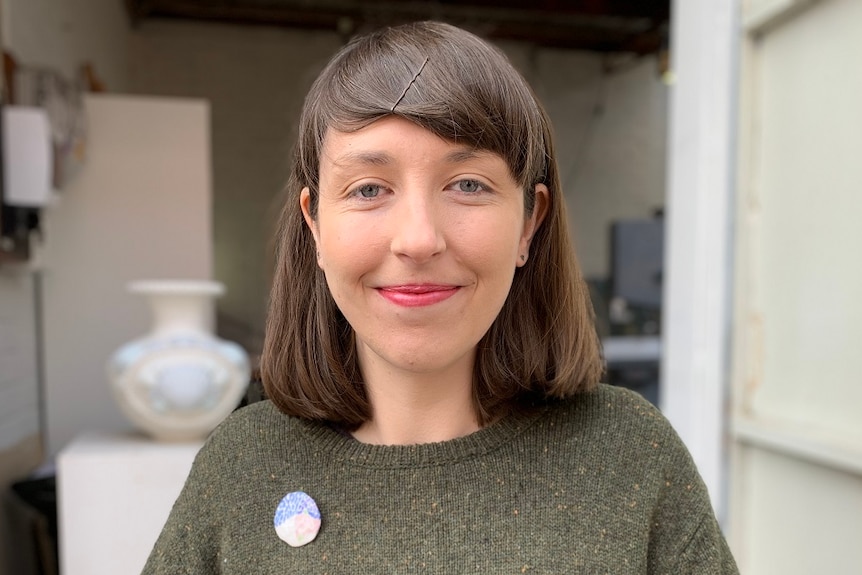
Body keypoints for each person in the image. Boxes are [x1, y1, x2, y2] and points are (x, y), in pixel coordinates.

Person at [142, 21, 739, 574]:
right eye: (369, 188)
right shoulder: (242, 465)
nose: (419, 239)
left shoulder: (631, 458)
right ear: (316, 226)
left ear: (530, 222)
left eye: (467, 184)